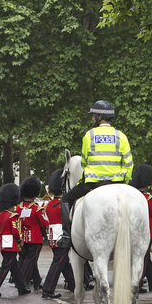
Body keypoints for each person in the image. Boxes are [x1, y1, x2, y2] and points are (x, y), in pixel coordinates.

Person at [59, 100, 134, 248]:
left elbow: (84, 162)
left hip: (93, 182)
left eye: (93, 115)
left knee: (65, 200)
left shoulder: (89, 135)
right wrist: (123, 182)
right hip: (117, 182)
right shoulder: (121, 136)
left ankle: (67, 236)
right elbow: (129, 164)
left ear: (100, 116)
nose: (92, 118)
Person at [0, 183, 31, 296]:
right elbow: (15, 231)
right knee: (6, 265)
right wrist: (20, 240)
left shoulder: (0, 215)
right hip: (10, 243)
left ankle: (22, 287)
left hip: (2, 242)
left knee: (14, 267)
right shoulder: (12, 216)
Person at [41, 169, 75, 299]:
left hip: (52, 235)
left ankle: (74, 285)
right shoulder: (64, 204)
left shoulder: (49, 204)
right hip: (62, 235)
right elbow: (68, 221)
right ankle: (48, 289)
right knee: (58, 262)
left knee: (63, 261)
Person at [130, 164, 152, 293]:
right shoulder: (148, 199)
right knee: (143, 258)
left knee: (146, 258)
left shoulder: (131, 196)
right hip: (145, 232)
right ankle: (137, 283)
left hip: (132, 231)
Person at [17, 176, 49, 291]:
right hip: (35, 239)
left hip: (22, 238)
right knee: (30, 260)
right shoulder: (37, 209)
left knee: (29, 260)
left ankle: (37, 281)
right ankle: (22, 283)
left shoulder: (18, 208)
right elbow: (45, 223)